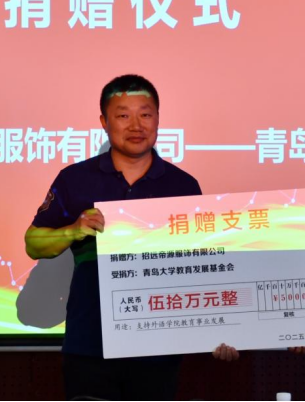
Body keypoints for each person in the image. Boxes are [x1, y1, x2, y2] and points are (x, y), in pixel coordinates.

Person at [24, 74, 237, 401]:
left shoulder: (182, 185)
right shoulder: (75, 179)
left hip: (159, 347)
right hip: (90, 345)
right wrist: (73, 230)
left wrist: (227, 329)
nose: (136, 125)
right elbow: (33, 243)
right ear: (104, 122)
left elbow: (203, 268)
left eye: (145, 114)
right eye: (123, 115)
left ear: (158, 119)